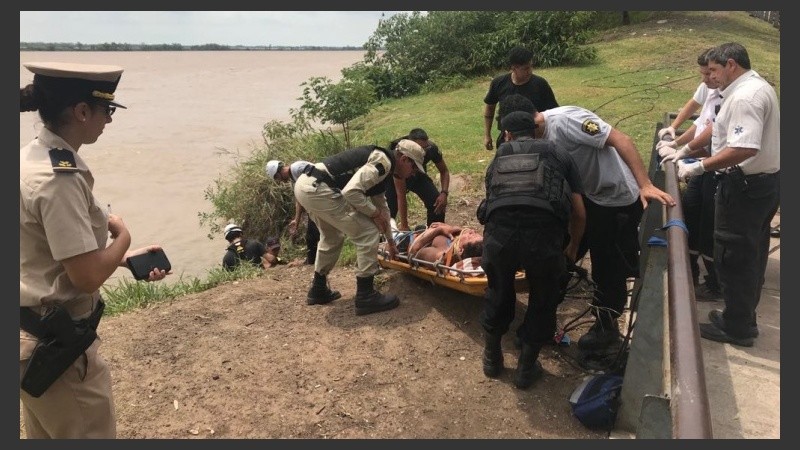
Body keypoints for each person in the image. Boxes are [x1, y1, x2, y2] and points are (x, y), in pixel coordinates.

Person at [19, 61, 169, 438]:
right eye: (107, 110)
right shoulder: (59, 181)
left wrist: (120, 262)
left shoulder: (29, 159)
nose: (109, 121)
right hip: (58, 355)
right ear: (83, 111)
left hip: (28, 340)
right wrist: (123, 238)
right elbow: (85, 278)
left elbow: (41, 251)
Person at [499, 94, 676, 353]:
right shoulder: (533, 139)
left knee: (608, 266)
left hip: (615, 198)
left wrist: (645, 184)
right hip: (584, 200)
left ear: (534, 120)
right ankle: (541, 323)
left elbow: (621, 139)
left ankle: (606, 327)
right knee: (558, 258)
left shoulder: (568, 120)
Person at [674, 42, 779, 347]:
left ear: (731, 65)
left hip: (745, 188)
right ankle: (741, 315)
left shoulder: (746, 96)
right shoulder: (751, 88)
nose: (711, 77)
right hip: (761, 184)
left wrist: (700, 167)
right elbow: (718, 130)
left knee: (734, 255)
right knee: (751, 252)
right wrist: (685, 148)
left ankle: (738, 327)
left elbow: (744, 147)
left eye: (715, 70)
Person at [479, 111, 586, 389]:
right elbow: (579, 213)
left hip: (499, 238)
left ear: (507, 135)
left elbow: (489, 205)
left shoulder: (498, 158)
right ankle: (526, 369)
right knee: (543, 298)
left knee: (498, 290)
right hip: (543, 238)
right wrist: (572, 247)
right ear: (537, 131)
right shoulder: (560, 154)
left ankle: (492, 359)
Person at [293, 139, 424, 315]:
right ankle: (365, 295)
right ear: (404, 159)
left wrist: (391, 242)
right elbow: (351, 192)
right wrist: (373, 214)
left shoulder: (384, 167)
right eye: (414, 168)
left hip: (306, 186)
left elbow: (382, 207)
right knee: (367, 233)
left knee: (331, 237)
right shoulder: (383, 162)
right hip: (319, 189)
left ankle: (318, 289)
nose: (413, 173)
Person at [658, 48, 723, 300]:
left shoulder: (729, 96)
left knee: (710, 223)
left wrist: (682, 149)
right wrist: (674, 136)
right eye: (704, 73)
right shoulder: (710, 89)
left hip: (717, 167)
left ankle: (716, 283)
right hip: (702, 164)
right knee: (690, 210)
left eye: (710, 73)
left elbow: (712, 132)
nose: (706, 78)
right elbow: (698, 121)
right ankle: (691, 270)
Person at [483, 46, 559, 151]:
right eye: (526, 68)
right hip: (507, 136)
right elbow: (490, 108)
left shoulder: (540, 84)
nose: (530, 71)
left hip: (534, 136)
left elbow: (554, 112)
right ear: (513, 68)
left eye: (531, 67)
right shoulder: (499, 83)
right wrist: (487, 135)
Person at [386, 128, 451, 230]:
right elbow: (401, 194)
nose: (422, 152)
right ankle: (385, 240)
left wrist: (444, 193)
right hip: (396, 178)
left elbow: (444, 171)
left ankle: (435, 232)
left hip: (417, 174)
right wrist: (404, 225)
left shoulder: (431, 149)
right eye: (419, 148)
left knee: (436, 202)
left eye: (425, 149)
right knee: (388, 213)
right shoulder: (400, 153)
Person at [266, 159, 320, 264]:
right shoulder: (294, 179)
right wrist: (296, 221)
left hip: (319, 200)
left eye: (277, 179)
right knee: (311, 235)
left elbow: (318, 177)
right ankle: (312, 261)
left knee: (313, 234)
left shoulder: (297, 168)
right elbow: (299, 200)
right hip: (314, 204)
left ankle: (313, 261)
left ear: (278, 174)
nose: (280, 181)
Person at [405, 222, 483, 265]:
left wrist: (439, 230)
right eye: (475, 233)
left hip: (407, 241)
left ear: (460, 250)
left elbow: (413, 251)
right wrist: (451, 228)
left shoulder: (441, 255)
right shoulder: (463, 245)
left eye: (470, 236)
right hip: (422, 232)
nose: (472, 231)